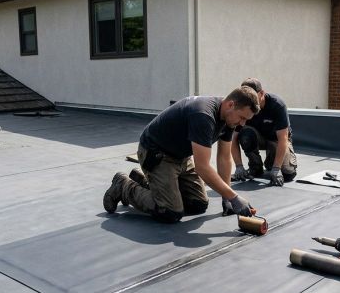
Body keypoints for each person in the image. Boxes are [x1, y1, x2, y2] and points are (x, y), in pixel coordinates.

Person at [103, 86, 261, 223]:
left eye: (246, 120)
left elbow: (224, 158)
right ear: (231, 104)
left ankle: (146, 182)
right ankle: (123, 185)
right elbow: (203, 167)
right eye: (242, 118)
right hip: (156, 154)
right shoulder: (204, 115)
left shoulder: (229, 118)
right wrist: (233, 197)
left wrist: (226, 196)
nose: (242, 124)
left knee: (198, 205)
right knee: (170, 212)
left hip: (181, 156)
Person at [231, 78, 298, 186]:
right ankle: (255, 167)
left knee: (288, 174)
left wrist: (276, 168)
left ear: (262, 93)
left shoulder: (277, 105)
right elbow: (233, 138)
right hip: (259, 138)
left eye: (253, 96)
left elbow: (283, 139)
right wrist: (239, 166)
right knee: (245, 135)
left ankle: (272, 161)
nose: (250, 101)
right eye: (247, 98)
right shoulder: (244, 107)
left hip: (277, 140)